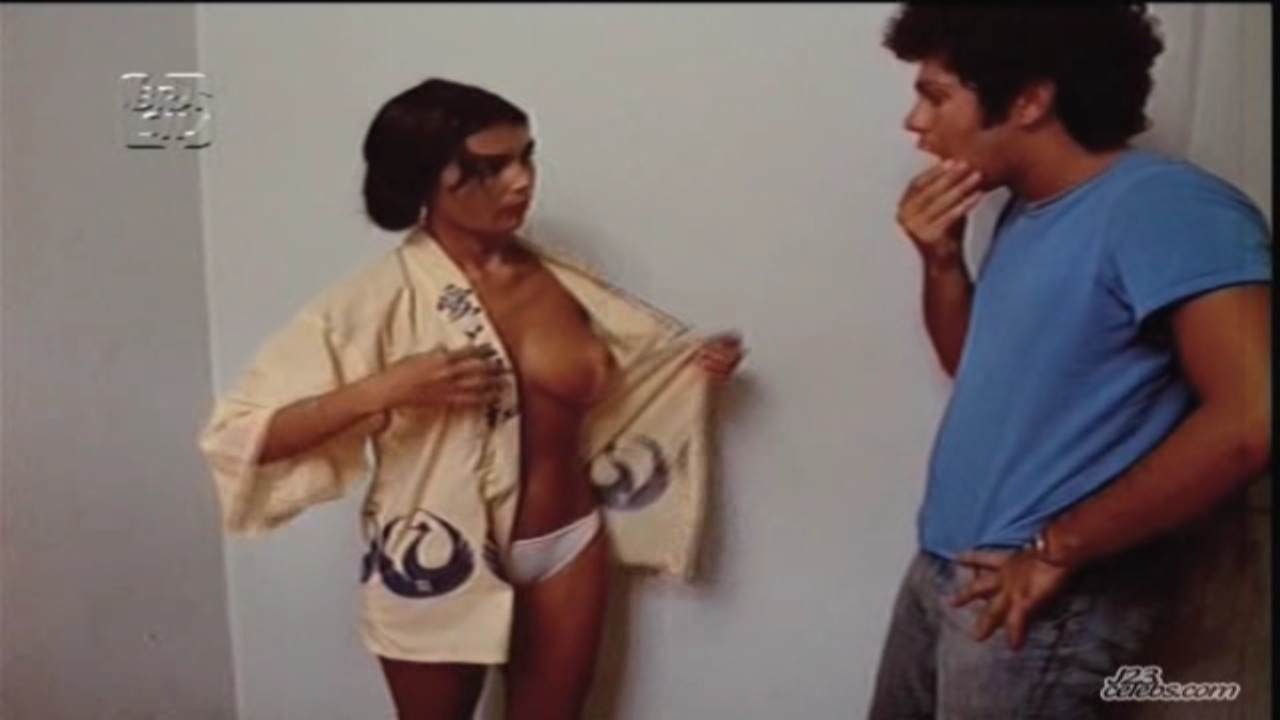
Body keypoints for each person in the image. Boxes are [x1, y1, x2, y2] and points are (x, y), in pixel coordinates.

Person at [198, 77, 745, 720]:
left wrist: (690, 372)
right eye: (490, 168)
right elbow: (240, 440)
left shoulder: (566, 283)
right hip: (436, 547)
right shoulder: (374, 301)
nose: (521, 182)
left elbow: (620, 393)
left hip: (567, 540)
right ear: (425, 179)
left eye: (526, 158)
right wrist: (383, 389)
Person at [869, 4, 1271, 718]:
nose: (915, 123)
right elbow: (978, 371)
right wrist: (941, 262)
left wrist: (1059, 547)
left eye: (935, 95)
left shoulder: (1168, 206)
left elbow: (1253, 416)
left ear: (1030, 101)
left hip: (1044, 595)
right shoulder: (1025, 208)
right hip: (952, 565)